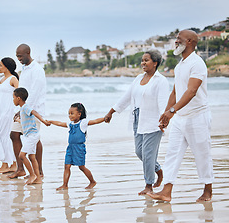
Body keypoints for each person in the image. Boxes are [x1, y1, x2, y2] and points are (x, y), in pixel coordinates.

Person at [148, 30, 214, 202]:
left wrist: (172, 111)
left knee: (202, 154)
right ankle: (166, 192)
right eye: (176, 39)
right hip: (180, 117)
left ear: (190, 41)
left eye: (179, 39)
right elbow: (176, 92)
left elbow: (191, 91)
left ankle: (208, 191)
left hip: (198, 115)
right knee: (172, 153)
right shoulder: (180, 65)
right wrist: (166, 113)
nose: (176, 42)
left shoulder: (197, 64)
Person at [104, 50, 169, 195]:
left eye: (146, 60)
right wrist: (111, 112)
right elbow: (126, 97)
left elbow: (163, 102)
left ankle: (148, 185)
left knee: (148, 154)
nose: (143, 63)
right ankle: (158, 170)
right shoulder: (139, 78)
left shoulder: (161, 81)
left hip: (153, 120)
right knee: (139, 152)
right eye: (142, 60)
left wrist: (163, 121)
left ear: (155, 63)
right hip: (137, 119)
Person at [9, 44, 46, 179]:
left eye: (20, 56)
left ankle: (39, 171)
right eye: (17, 56)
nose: (18, 58)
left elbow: (35, 92)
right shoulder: (24, 69)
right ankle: (21, 169)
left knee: (34, 138)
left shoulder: (37, 70)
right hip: (23, 109)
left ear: (28, 53)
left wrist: (24, 109)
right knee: (14, 134)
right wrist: (19, 109)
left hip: (34, 109)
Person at [49, 103, 104, 190]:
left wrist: (105, 118)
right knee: (67, 166)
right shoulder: (70, 124)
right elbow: (60, 123)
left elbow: (95, 121)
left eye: (72, 113)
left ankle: (92, 181)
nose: (70, 115)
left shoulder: (83, 123)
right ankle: (65, 185)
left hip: (79, 148)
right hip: (70, 148)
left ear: (79, 114)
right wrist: (51, 122)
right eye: (69, 113)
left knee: (81, 167)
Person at [12, 87, 50, 185]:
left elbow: (34, 112)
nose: (13, 100)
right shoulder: (23, 109)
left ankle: (32, 175)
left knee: (22, 155)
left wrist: (44, 121)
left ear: (18, 98)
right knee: (31, 157)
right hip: (30, 136)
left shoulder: (25, 107)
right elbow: (25, 122)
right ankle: (38, 178)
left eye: (13, 97)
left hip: (32, 135)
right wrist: (17, 120)